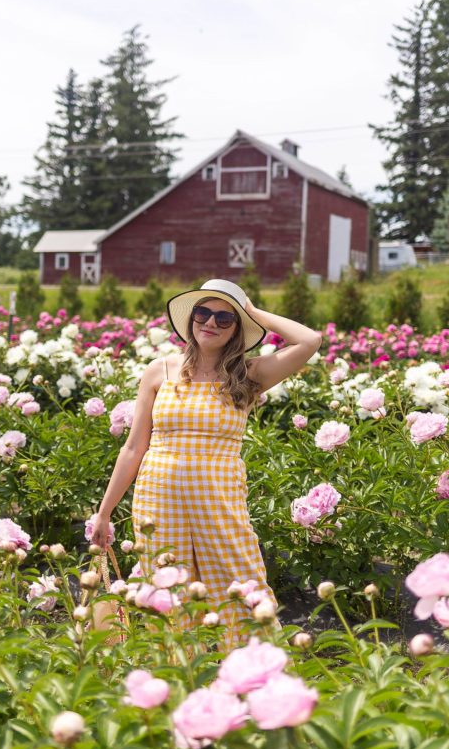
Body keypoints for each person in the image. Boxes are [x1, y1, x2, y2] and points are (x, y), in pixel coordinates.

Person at [91, 277, 322, 647]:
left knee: (240, 581)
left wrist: (250, 311)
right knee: (166, 586)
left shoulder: (249, 374)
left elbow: (310, 341)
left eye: (223, 318)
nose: (210, 323)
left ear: (236, 330)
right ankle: (175, 674)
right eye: (203, 312)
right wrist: (104, 513)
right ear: (190, 318)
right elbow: (133, 448)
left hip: (218, 499)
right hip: (158, 498)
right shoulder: (159, 371)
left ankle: (254, 671)